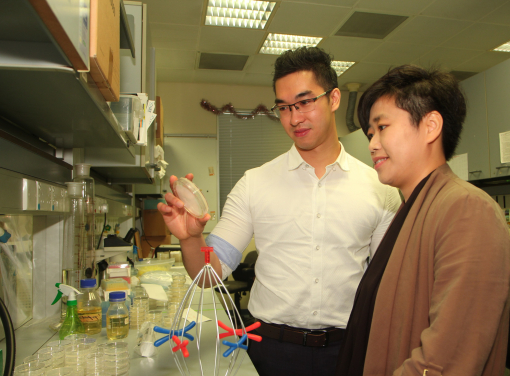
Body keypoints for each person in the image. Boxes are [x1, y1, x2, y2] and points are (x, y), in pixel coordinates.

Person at [157, 47, 401, 375]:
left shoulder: (380, 188)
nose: (294, 117)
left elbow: (389, 283)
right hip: (272, 351)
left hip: (349, 350)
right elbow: (210, 275)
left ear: (334, 99)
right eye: (284, 107)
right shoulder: (255, 183)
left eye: (305, 102)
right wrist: (191, 239)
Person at [334, 65, 510, 376]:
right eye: (370, 133)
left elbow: (448, 358)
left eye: (382, 127)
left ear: (430, 126)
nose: (372, 143)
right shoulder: (410, 210)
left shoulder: (467, 210)